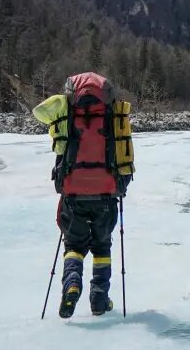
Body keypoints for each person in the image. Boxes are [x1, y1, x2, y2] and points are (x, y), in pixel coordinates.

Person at [32, 72, 134, 319]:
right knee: (102, 245)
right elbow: (124, 153)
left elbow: (38, 112)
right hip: (107, 191)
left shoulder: (67, 111)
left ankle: (72, 283)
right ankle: (99, 299)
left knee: (74, 244)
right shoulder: (112, 113)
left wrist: (62, 102)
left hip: (73, 189)